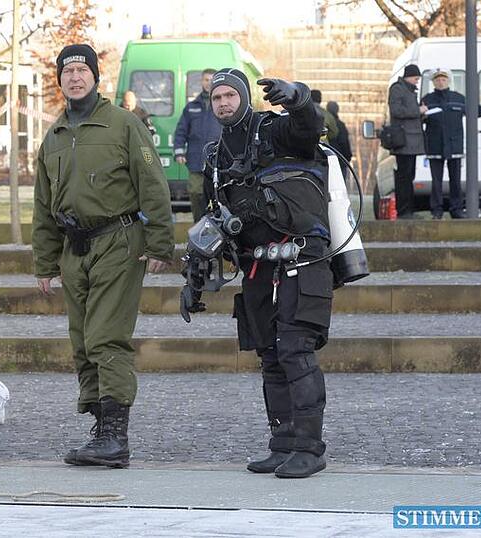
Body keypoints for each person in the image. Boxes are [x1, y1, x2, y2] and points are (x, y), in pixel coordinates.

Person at [32, 44, 174, 469]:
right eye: (68, 71)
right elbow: (44, 205)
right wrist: (44, 260)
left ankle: (116, 436)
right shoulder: (54, 137)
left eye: (82, 69)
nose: (75, 77)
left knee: (105, 337)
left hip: (119, 241)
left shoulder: (123, 124)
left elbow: (153, 184)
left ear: (96, 76)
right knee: (82, 341)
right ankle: (100, 427)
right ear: (60, 80)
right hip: (74, 248)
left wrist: (159, 242)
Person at [201, 69, 331, 478]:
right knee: (270, 354)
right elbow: (213, 217)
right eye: (216, 97)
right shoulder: (215, 157)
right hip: (257, 263)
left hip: (302, 256)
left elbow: (309, 130)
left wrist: (298, 98)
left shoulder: (273, 131)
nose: (223, 102)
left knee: (295, 349)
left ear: (244, 97)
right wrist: (197, 269)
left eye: (230, 95)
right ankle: (284, 444)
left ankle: (310, 449)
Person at [421, 68, 481, 219]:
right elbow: (416, 118)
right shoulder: (427, 100)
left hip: (454, 145)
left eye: (443, 79)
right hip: (435, 145)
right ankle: (436, 211)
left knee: (455, 181)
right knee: (436, 182)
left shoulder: (458, 98)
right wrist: (420, 115)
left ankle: (456, 210)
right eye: (437, 80)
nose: (440, 82)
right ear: (433, 82)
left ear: (448, 81)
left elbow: (475, 110)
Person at [174, 68, 221, 222]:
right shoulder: (191, 107)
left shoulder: (222, 105)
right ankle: (198, 226)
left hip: (218, 162)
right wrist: (179, 152)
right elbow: (181, 131)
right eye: (206, 80)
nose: (209, 83)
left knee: (219, 196)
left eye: (212, 80)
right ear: (201, 81)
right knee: (196, 194)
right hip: (196, 162)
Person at [388, 64, 427, 219]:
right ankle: (404, 211)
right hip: (404, 141)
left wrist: (423, 114)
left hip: (411, 141)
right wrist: (418, 111)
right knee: (404, 176)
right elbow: (396, 111)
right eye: (416, 78)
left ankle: (408, 210)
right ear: (409, 77)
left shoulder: (410, 91)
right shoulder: (397, 89)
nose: (417, 82)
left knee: (409, 176)